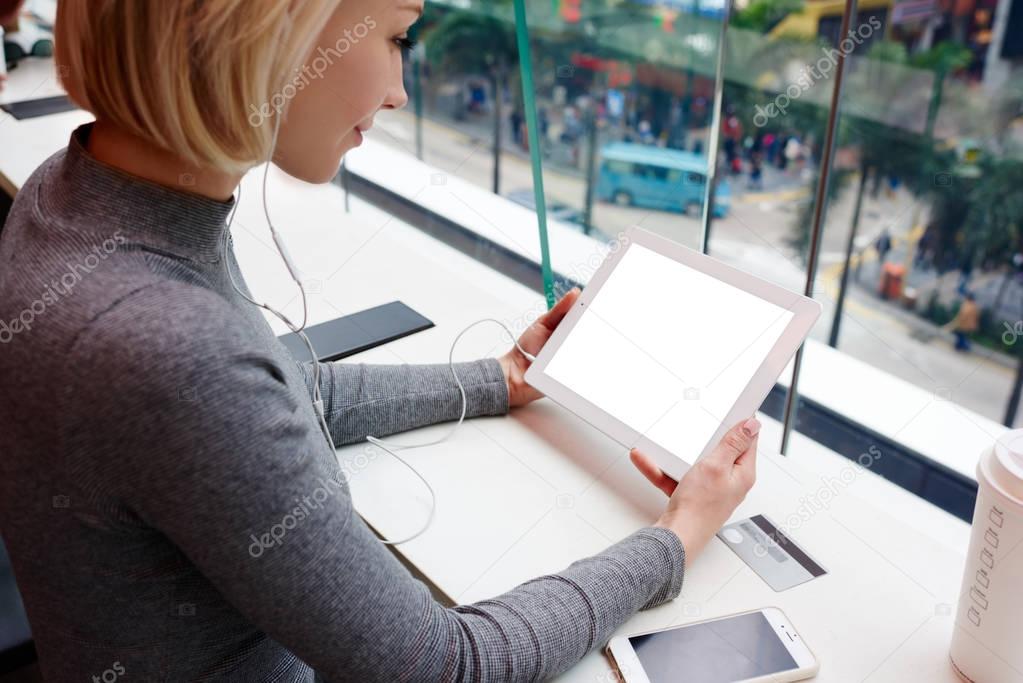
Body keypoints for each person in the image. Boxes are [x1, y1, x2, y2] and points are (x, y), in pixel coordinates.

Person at [0, 2, 760, 681]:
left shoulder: (75, 194)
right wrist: (678, 534)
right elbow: (446, 665)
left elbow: (279, 389)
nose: (399, 90)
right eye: (397, 36)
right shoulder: (172, 348)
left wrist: (502, 376)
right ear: (271, 29)